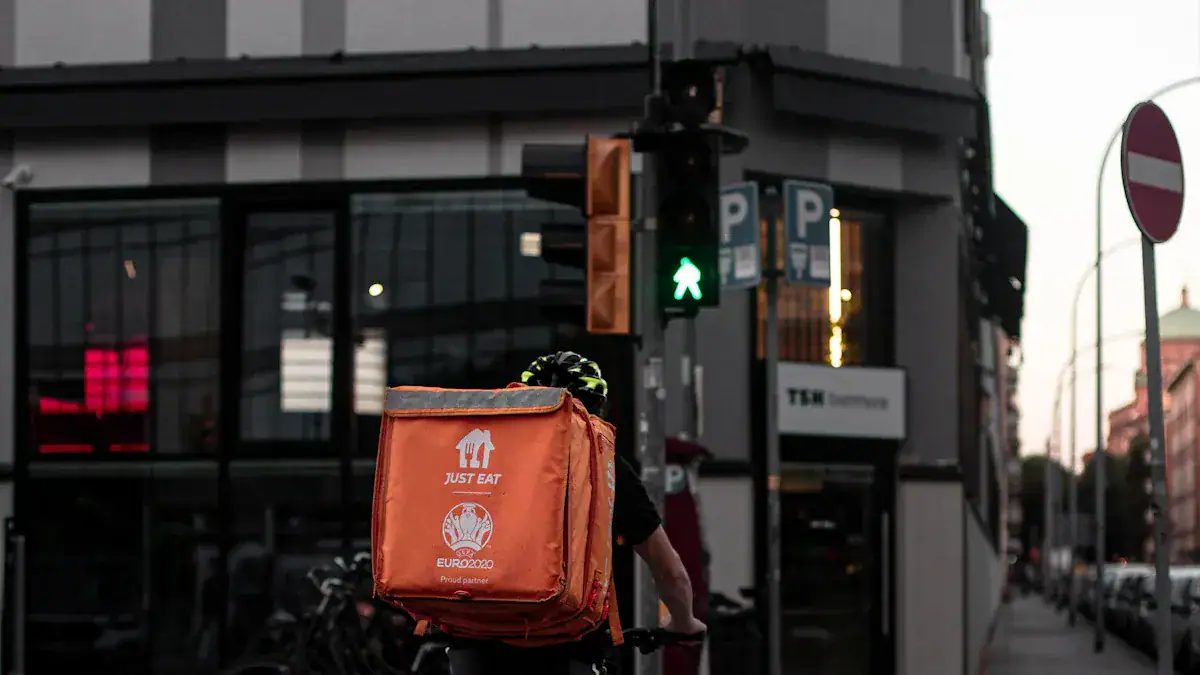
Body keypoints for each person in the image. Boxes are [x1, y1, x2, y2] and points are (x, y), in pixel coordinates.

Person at [445, 351, 706, 675]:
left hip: (472, 641)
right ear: (597, 409)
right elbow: (668, 568)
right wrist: (683, 621)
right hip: (567, 646)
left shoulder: (485, 456)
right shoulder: (605, 466)